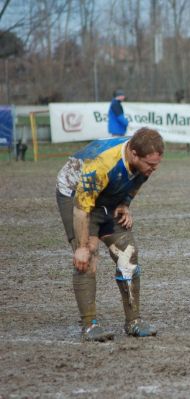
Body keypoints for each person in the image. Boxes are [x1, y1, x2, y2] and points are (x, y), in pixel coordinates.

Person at [56, 128, 164, 341]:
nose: (154, 169)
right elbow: (82, 209)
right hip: (75, 194)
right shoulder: (101, 165)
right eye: (150, 165)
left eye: (157, 164)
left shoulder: (143, 163)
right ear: (134, 154)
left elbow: (138, 179)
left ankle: (133, 321)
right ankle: (89, 326)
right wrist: (81, 246)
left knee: (128, 252)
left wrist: (125, 203)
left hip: (106, 194)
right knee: (88, 256)